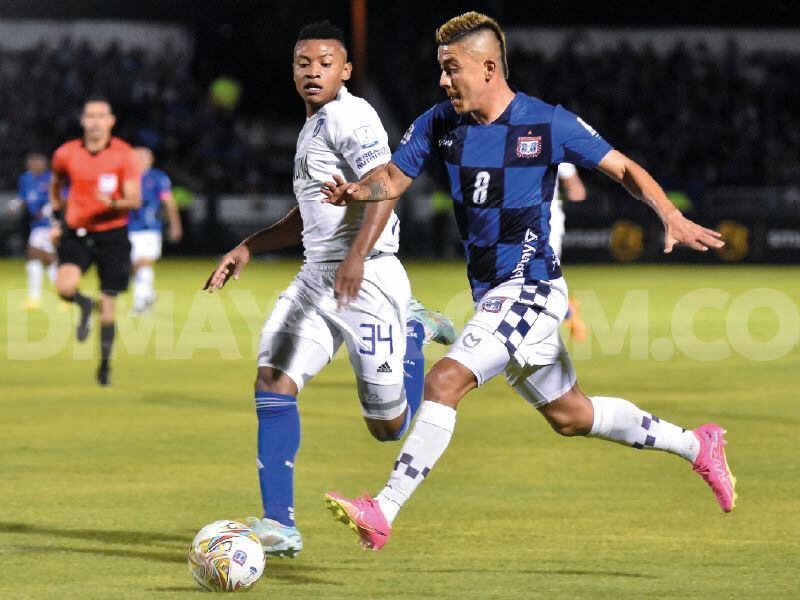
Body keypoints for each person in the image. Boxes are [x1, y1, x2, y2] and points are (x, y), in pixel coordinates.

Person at [320, 11, 734, 551]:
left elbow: (623, 169)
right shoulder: (438, 123)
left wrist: (668, 214)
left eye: (452, 69)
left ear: (488, 67)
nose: (443, 81)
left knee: (445, 381)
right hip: (491, 294)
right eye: (440, 70)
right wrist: (358, 190)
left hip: (530, 287)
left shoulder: (547, 122)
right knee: (571, 415)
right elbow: (393, 179)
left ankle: (384, 507)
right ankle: (696, 445)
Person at [203, 21, 456, 558]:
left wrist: (358, 258)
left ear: (344, 71)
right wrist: (248, 246)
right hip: (315, 277)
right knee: (272, 379)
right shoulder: (312, 128)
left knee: (388, 428)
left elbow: (385, 186)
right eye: (302, 63)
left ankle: (413, 328)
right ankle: (279, 525)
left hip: (367, 278)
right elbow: (309, 215)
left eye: (323, 63)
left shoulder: (351, 115)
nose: (312, 71)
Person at [50, 98, 141, 386]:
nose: (95, 121)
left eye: (101, 116)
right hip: (77, 232)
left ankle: (104, 367)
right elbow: (55, 183)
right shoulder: (66, 153)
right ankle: (83, 304)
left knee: (109, 304)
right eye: (90, 115)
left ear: (111, 121)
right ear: (83, 120)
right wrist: (57, 213)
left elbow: (135, 199)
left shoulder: (124, 154)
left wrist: (112, 203)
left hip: (112, 235)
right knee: (64, 287)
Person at [128, 147, 183, 315]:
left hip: (149, 229)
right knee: (131, 267)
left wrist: (175, 224)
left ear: (150, 159)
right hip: (127, 228)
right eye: (136, 156)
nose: (140, 159)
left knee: (142, 262)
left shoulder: (157, 177)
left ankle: (141, 303)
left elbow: (169, 203)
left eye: (143, 157)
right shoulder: (125, 177)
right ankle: (148, 295)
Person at [9, 153, 56, 309]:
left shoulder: (51, 178)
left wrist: (49, 209)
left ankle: (57, 295)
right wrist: (14, 205)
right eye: (31, 163)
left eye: (37, 162)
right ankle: (59, 294)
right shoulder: (25, 179)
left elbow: (60, 198)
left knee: (38, 257)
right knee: (46, 260)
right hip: (36, 225)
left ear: (44, 164)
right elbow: (24, 198)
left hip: (50, 225)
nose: (34, 165)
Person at [549, 162, 588, 341]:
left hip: (546, 224)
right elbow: (577, 191)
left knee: (545, 278)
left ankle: (569, 312)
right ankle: (569, 311)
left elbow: (576, 189)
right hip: (544, 221)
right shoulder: (552, 140)